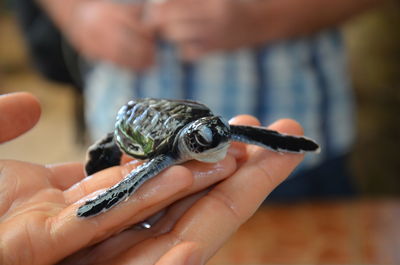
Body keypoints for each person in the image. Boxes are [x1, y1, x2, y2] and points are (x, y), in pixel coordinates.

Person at [35, 0, 382, 201]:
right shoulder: (168, 153)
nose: (219, 138)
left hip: (291, 158)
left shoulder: (218, 135)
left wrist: (264, 16)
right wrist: (78, 13)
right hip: (120, 125)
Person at [0, 92, 305, 265]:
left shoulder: (218, 132)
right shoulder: (167, 155)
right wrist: (94, 206)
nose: (220, 146)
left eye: (222, 136)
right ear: (190, 144)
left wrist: (288, 143)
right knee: (131, 178)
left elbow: (234, 133)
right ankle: (108, 146)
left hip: (180, 113)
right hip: (139, 120)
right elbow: (129, 184)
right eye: (207, 143)